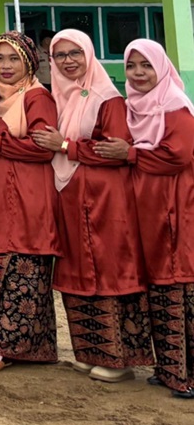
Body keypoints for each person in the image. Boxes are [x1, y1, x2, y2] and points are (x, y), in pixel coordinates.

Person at [30, 29, 149, 383]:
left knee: (108, 272)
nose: (68, 61)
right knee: (77, 273)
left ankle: (117, 359)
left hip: (104, 199)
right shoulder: (58, 97)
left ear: (89, 54)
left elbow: (115, 152)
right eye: (60, 55)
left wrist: (66, 146)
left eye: (75, 53)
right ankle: (88, 351)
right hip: (70, 197)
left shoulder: (106, 98)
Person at [0, 31, 61, 372]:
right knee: (10, 265)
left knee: (20, 266)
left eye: (13, 59)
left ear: (29, 62)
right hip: (3, 192)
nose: (5, 66)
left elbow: (43, 148)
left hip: (29, 194)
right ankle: (36, 347)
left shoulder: (36, 98)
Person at [115, 40, 194, 397]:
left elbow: (176, 157)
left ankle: (186, 376)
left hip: (176, 209)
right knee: (159, 288)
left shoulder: (175, 107)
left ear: (161, 68)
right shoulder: (134, 107)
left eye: (146, 65)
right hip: (148, 210)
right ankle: (168, 369)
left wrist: (130, 154)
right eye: (132, 66)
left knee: (179, 286)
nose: (139, 74)